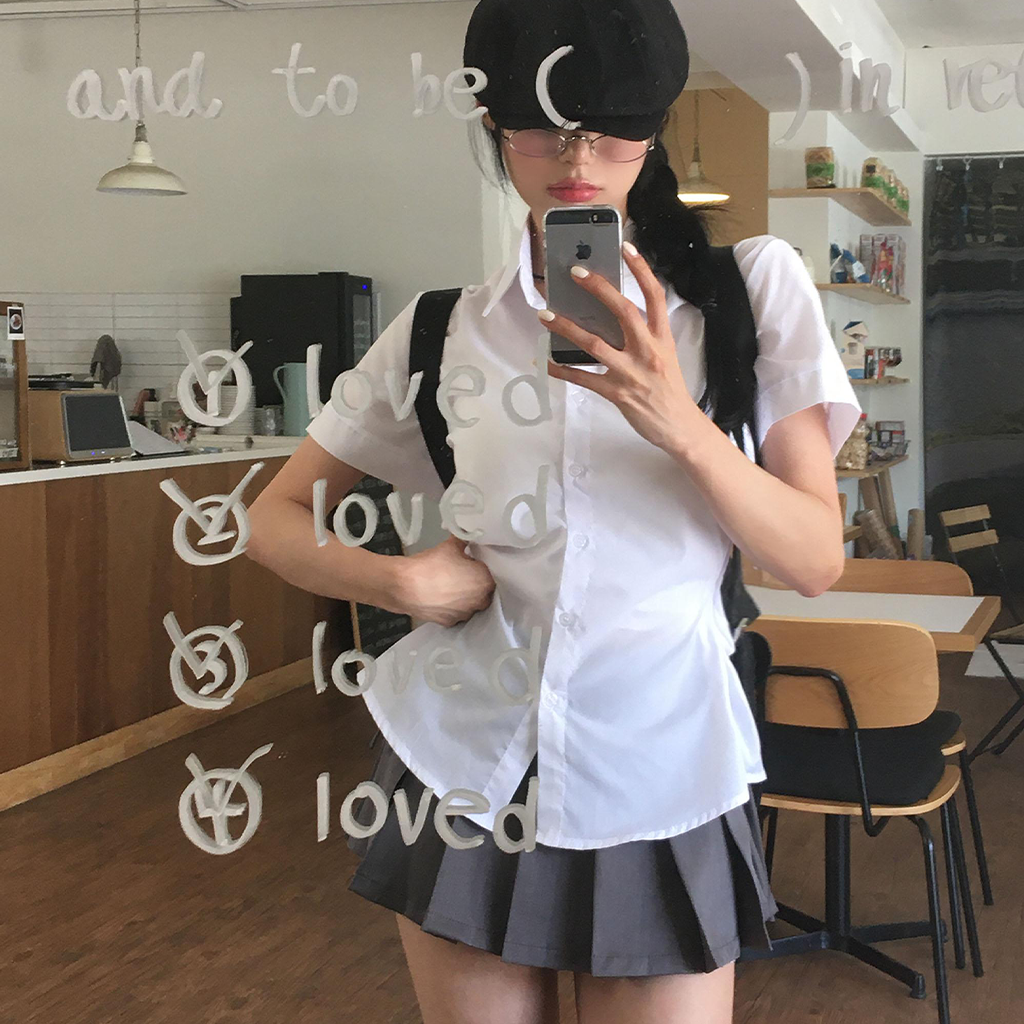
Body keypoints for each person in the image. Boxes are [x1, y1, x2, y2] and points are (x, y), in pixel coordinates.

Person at [245, 1, 863, 1021]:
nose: (577, 158)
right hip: (463, 760)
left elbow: (813, 559)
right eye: (544, 126)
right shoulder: (439, 330)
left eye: (611, 127)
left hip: (659, 765)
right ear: (494, 122)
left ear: (653, 131)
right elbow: (271, 517)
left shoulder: (752, 290)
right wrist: (400, 582)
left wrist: (681, 422)